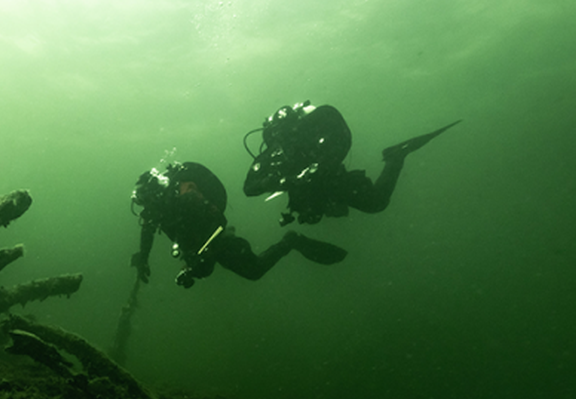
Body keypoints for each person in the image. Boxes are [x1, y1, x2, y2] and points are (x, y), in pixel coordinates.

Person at [130, 160, 347, 289]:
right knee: (202, 271)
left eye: (146, 202)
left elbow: (218, 219)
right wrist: (143, 258)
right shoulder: (156, 211)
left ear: (154, 194)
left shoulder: (185, 194)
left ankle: (290, 241)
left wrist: (208, 249)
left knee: (254, 271)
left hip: (216, 236)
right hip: (197, 242)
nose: (147, 210)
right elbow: (147, 230)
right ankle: (198, 262)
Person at [242, 101, 460, 226]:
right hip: (319, 192)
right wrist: (278, 180)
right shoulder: (273, 153)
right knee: (374, 204)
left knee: (376, 203)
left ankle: (396, 156)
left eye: (289, 131)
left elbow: (336, 129)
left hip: (332, 182)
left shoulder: (310, 135)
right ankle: (395, 156)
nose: (286, 138)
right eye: (279, 135)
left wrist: (320, 168)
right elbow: (248, 188)